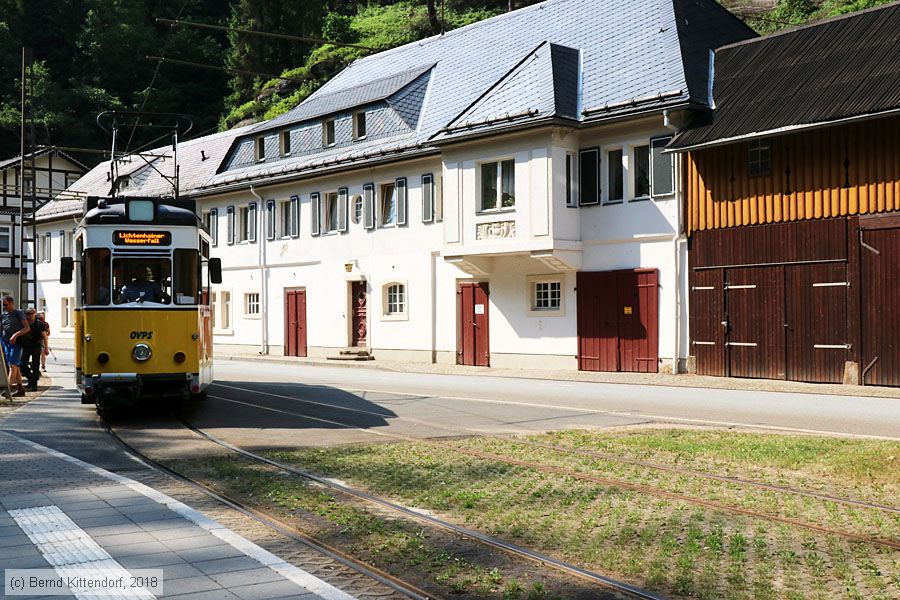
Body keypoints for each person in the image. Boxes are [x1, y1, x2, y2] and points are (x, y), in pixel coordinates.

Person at [1, 295, 29, 397]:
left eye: (6, 304)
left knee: (13, 365)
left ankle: (8, 389)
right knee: (14, 366)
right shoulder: (3, 315)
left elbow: (27, 328)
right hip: (6, 343)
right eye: (3, 305)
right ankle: (20, 388)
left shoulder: (18, 313)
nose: (4, 307)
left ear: (11, 303)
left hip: (16, 343)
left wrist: (15, 335)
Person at [20, 308, 47, 391]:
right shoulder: (24, 323)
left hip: (36, 346)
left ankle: (33, 384)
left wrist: (46, 348)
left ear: (34, 313)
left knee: (35, 365)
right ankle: (31, 379)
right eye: (27, 314)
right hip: (26, 346)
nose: (29, 316)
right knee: (23, 365)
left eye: (31, 314)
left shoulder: (40, 324)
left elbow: (44, 336)